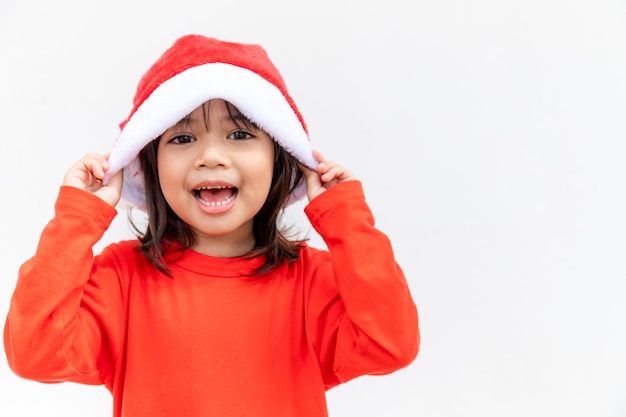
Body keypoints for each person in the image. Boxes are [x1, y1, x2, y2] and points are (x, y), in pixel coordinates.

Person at [3, 34, 419, 417]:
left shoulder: (312, 279)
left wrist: (345, 217)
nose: (211, 157)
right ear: (149, 167)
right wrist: (79, 218)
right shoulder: (123, 278)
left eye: (239, 134)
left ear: (280, 157)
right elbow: (35, 352)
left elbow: (392, 344)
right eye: (182, 139)